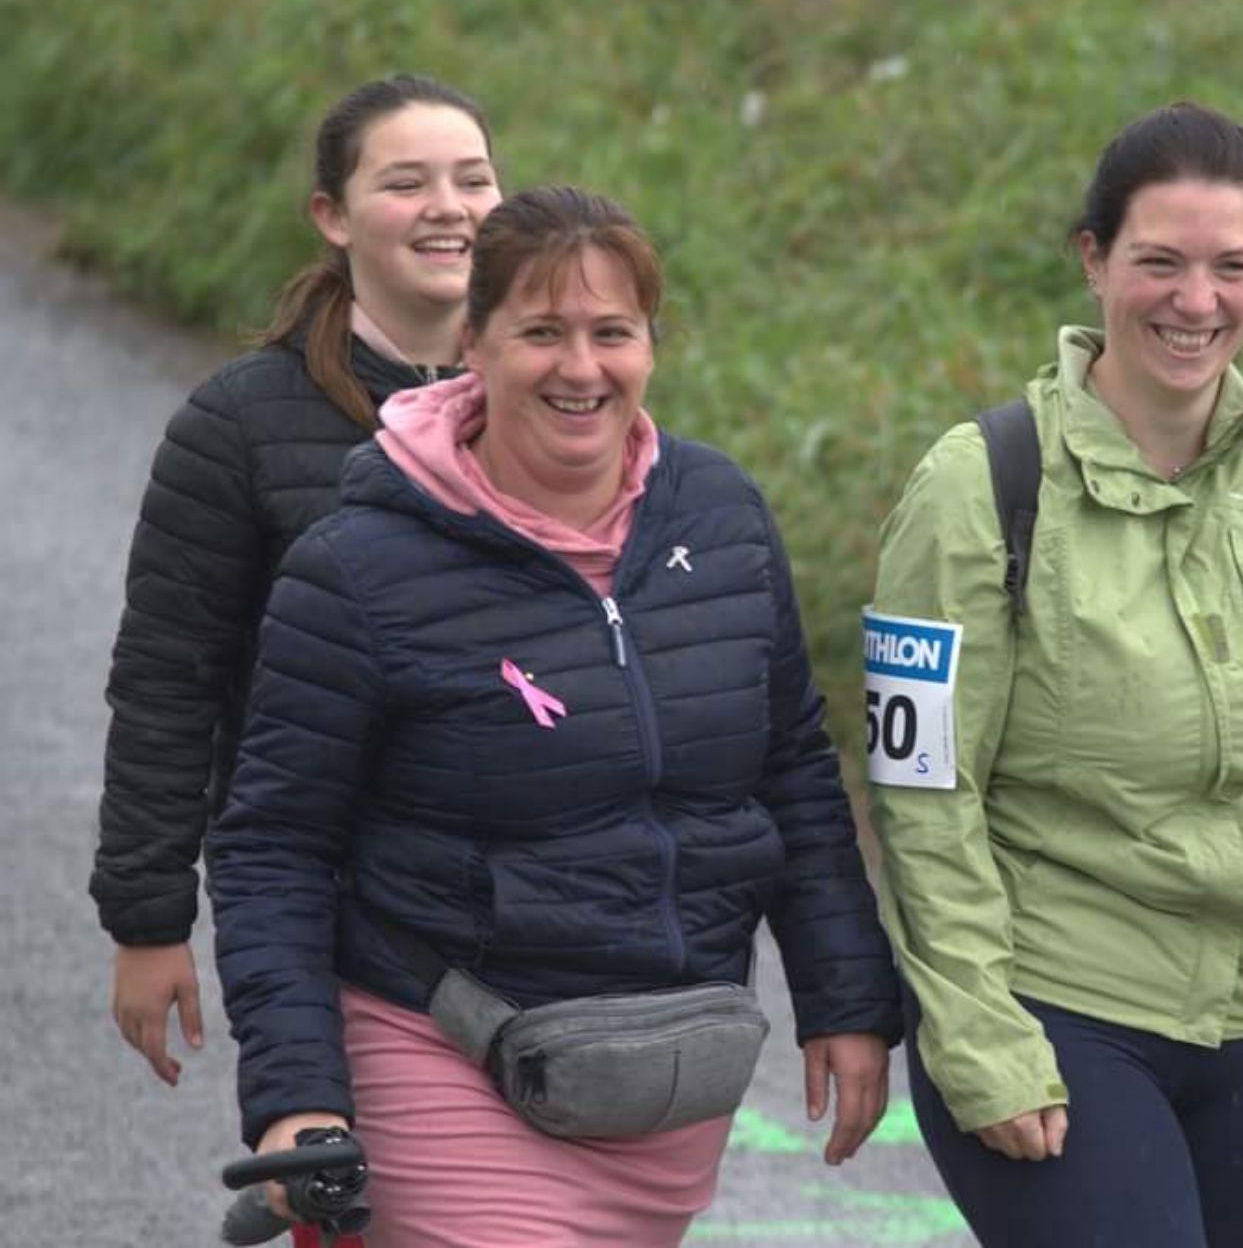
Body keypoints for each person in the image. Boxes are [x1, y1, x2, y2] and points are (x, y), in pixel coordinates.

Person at [206, 185, 901, 1244]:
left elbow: (793, 770)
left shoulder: (721, 515)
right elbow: (275, 845)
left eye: (611, 332)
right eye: (541, 332)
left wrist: (846, 998)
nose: (581, 367)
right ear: (472, 343)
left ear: (649, 346)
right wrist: (296, 1093)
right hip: (444, 1047)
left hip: (663, 1070)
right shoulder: (357, 567)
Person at [868, 102, 1243, 1247]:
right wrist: (977, 1030)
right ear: (1092, 259)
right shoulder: (977, 483)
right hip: (1059, 1009)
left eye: (1232, 266)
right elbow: (922, 788)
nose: (1196, 300)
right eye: (1159, 262)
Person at [91, 73, 503, 1087]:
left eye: (473, 180)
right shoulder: (236, 424)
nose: (447, 208)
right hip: (322, 894)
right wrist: (148, 920)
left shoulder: (556, 403)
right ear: (332, 215)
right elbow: (166, 682)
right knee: (342, 1155)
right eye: (405, 183)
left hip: (527, 887)